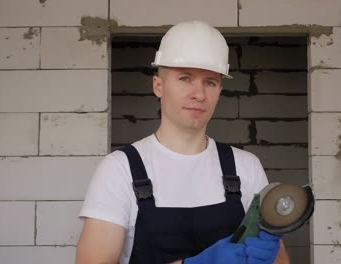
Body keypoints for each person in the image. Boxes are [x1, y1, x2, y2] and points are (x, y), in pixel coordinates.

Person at [76, 20, 290, 264]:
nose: (199, 94)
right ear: (158, 86)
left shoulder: (246, 167)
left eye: (210, 82)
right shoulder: (119, 169)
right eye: (185, 78)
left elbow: (280, 259)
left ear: (219, 91)